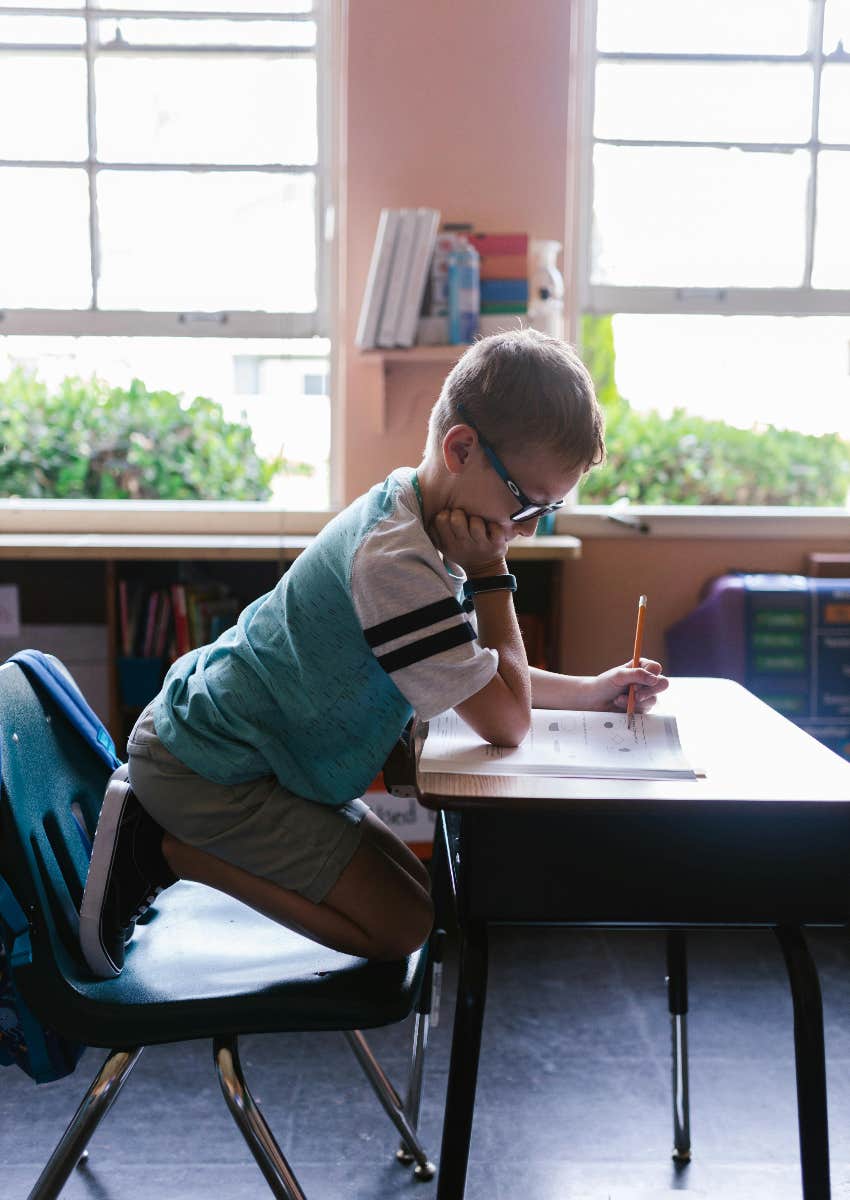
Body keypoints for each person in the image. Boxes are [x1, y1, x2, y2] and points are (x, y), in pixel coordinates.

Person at [79, 328, 668, 978]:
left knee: (418, 898)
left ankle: (173, 841)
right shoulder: (396, 564)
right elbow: (507, 720)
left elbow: (477, 674)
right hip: (210, 772)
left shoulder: (414, 512)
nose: (528, 527)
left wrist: (593, 689)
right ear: (462, 448)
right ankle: (164, 850)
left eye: (549, 509)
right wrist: (494, 576)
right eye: (527, 501)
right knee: (400, 927)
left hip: (250, 757)